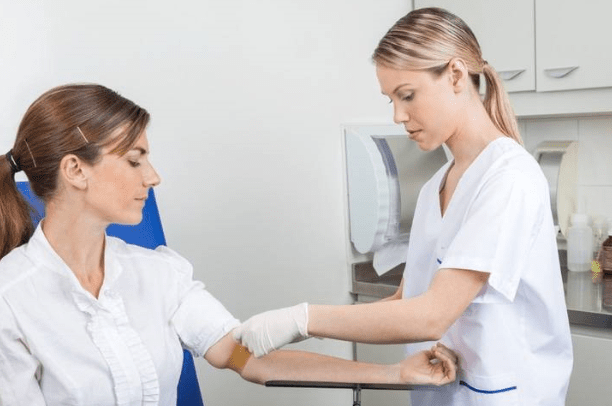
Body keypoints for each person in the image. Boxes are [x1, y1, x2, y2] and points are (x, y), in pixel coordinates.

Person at [0, 83, 459, 405]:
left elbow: (246, 357)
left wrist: (393, 374)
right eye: (135, 160)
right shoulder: (11, 299)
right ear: (76, 170)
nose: (153, 177)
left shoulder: (158, 274)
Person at [233, 7, 573, 405]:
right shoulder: (435, 188)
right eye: (391, 99)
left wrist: (302, 318)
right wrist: (306, 329)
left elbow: (432, 314)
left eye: (407, 95)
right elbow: (407, 302)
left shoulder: (508, 178)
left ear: (457, 76)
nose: (397, 115)